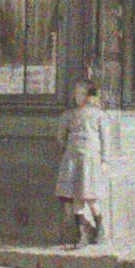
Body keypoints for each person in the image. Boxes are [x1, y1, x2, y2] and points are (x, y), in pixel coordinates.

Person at [56, 79, 109, 246]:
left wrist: (104, 160)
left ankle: (100, 228)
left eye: (81, 93)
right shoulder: (69, 115)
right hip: (73, 158)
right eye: (76, 93)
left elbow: (105, 139)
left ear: (89, 96)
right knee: (76, 197)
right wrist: (69, 148)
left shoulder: (99, 115)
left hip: (90, 159)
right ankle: (81, 234)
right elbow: (60, 136)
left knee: (91, 197)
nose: (77, 96)